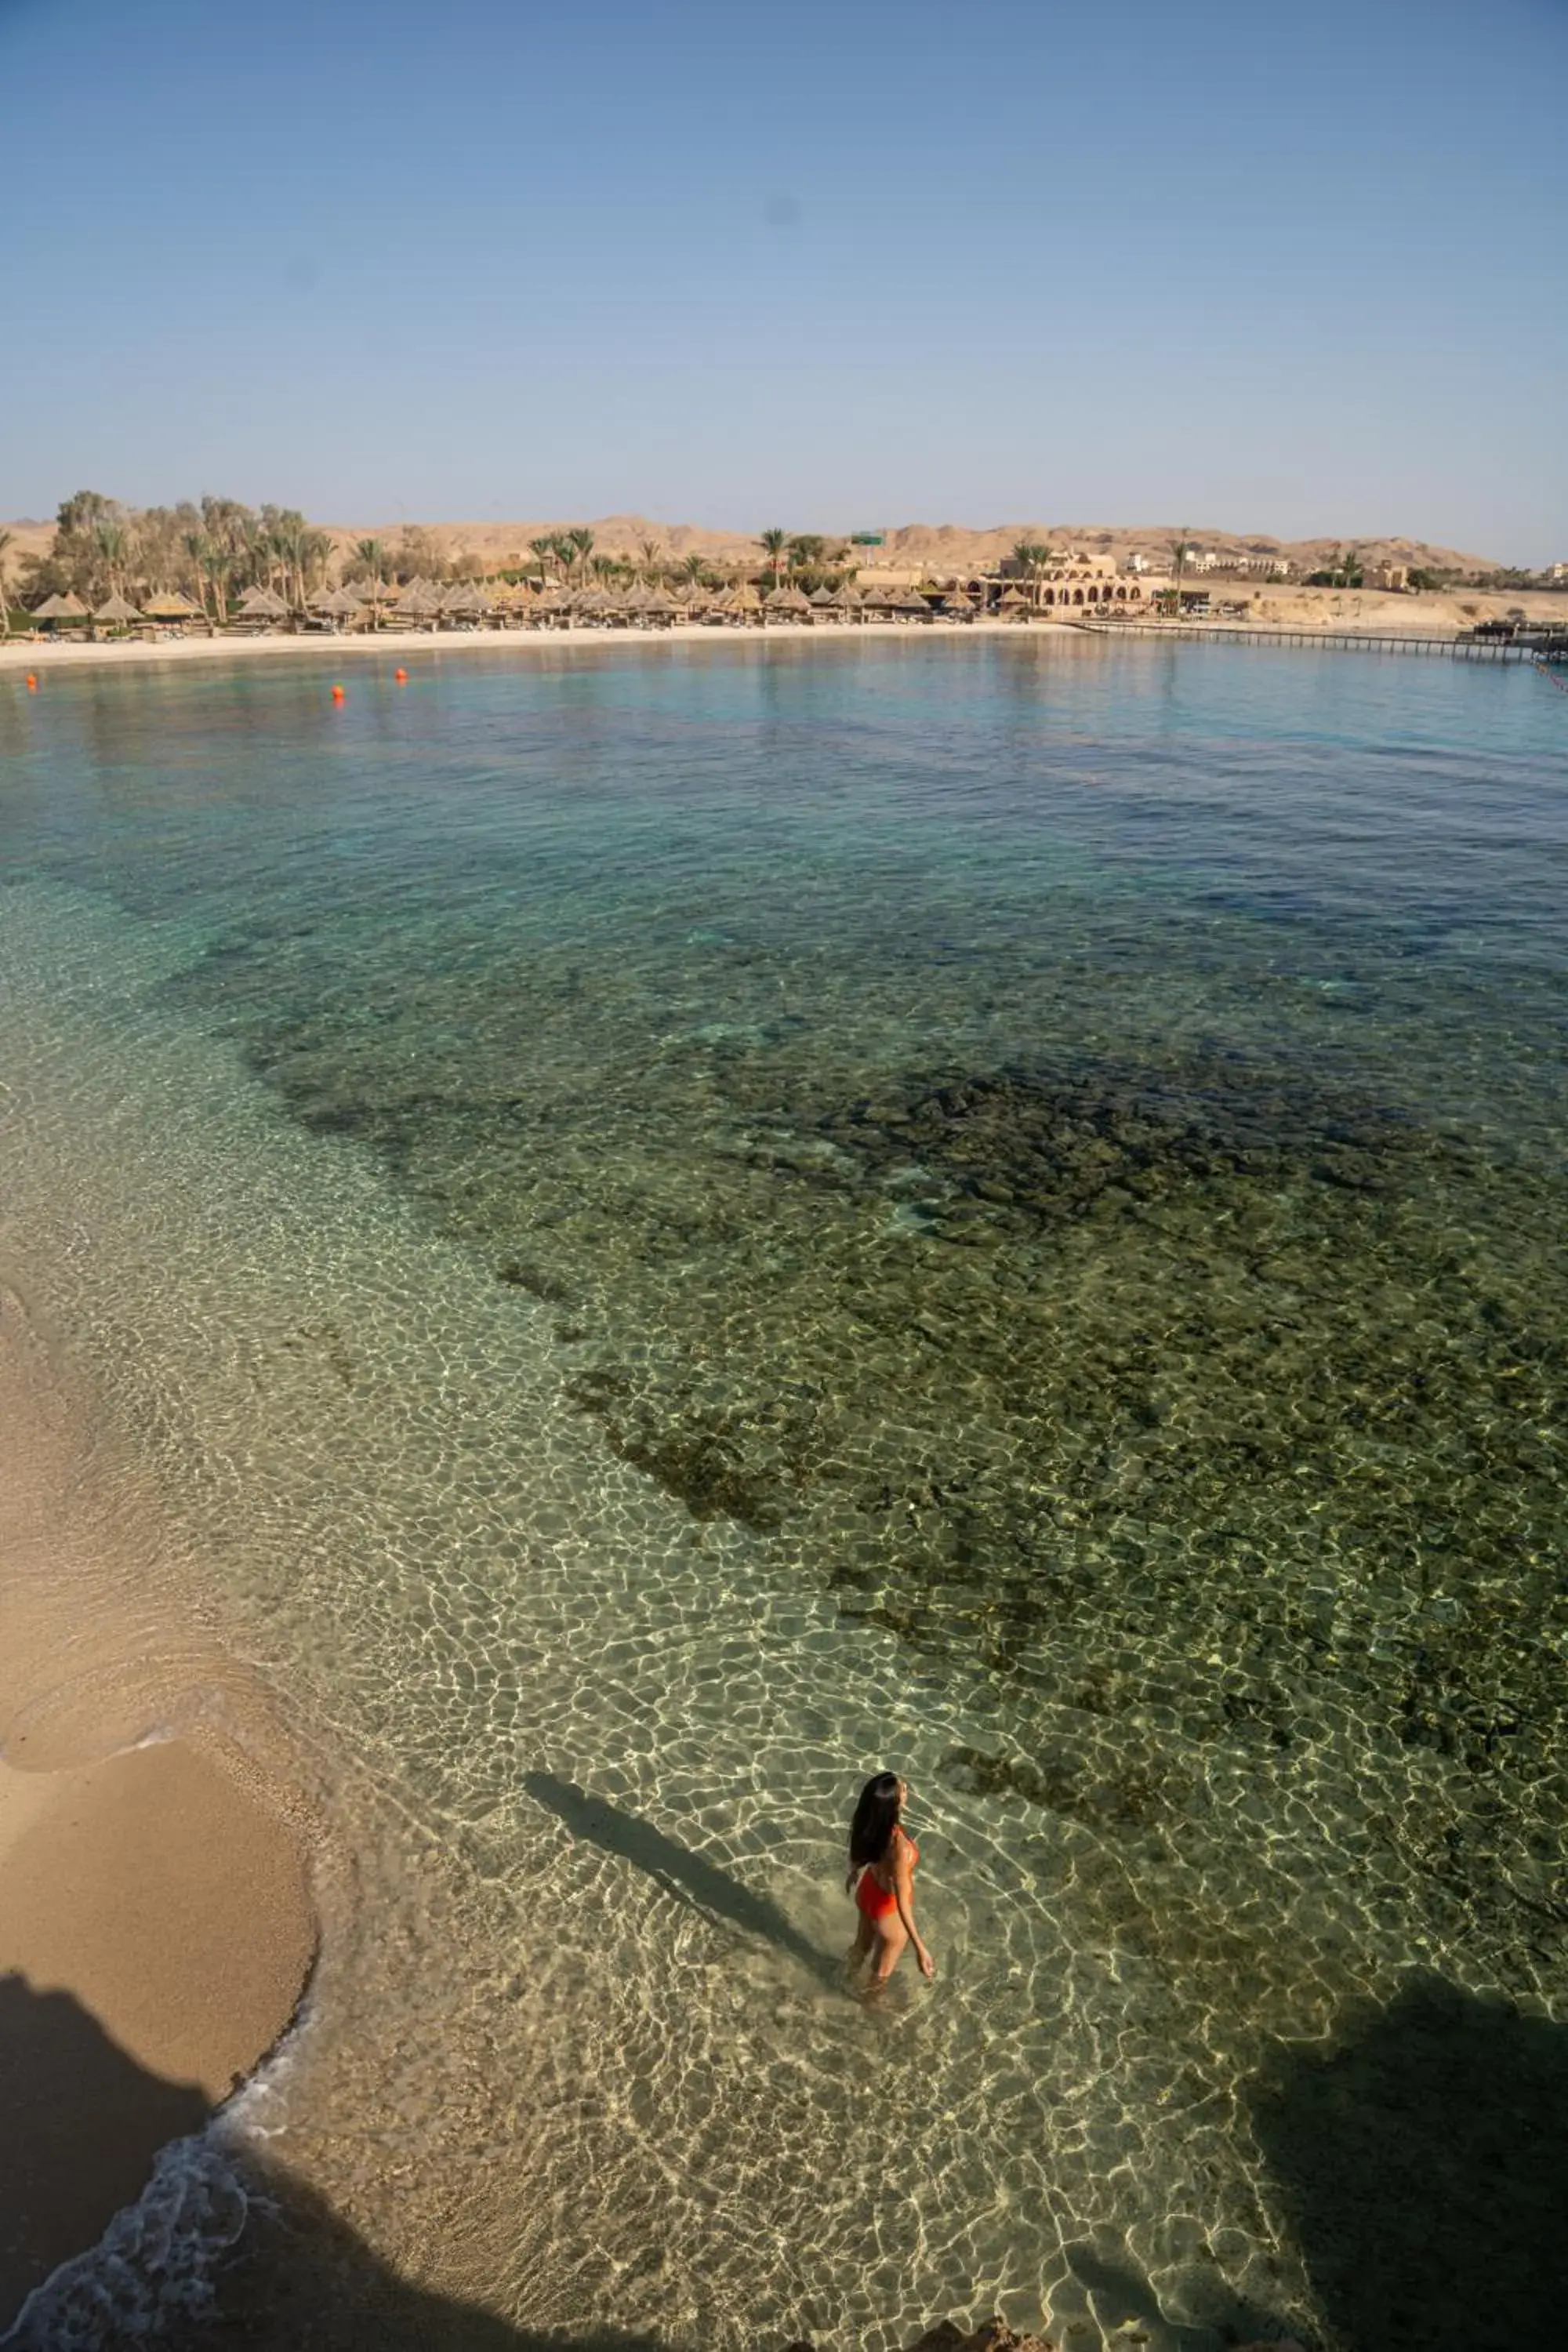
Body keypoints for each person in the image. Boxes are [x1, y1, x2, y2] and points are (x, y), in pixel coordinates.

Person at [846, 1770, 935, 1984]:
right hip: (888, 1909)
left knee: (860, 1947)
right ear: (894, 1804)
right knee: (880, 1976)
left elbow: (862, 1850)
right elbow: (903, 1900)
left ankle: (846, 1977)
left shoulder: (872, 1823)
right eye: (903, 1790)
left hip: (867, 1892)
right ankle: (864, 2010)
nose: (907, 1790)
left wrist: (853, 1872)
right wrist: (920, 1948)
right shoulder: (899, 1848)